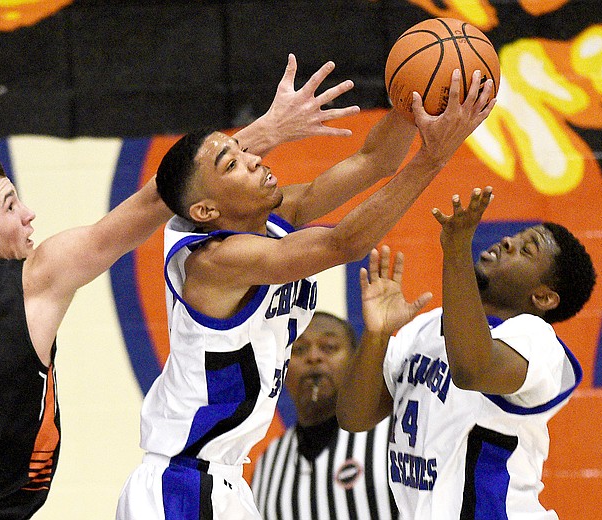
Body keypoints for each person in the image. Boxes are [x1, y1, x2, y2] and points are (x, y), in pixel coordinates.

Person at [0, 53, 359, 520]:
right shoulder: (32, 282)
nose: (29, 213)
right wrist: (263, 131)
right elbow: (159, 199)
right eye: (11, 205)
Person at [115, 65, 496, 520]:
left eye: (241, 148)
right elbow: (344, 243)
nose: (254, 158)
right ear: (206, 209)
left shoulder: (271, 217)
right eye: (232, 164)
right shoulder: (213, 262)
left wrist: (412, 101)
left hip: (222, 478)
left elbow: (374, 161)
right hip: (181, 484)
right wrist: (433, 158)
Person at [336, 187, 596, 519]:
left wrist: (456, 248)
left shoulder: (537, 342)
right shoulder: (427, 326)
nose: (506, 241)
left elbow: (472, 370)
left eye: (526, 249)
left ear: (543, 297)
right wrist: (377, 334)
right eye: (514, 236)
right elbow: (354, 417)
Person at [251, 311, 398, 520]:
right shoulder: (269, 461)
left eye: (329, 347)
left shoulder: (394, 438)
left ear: (356, 362)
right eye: (299, 349)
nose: (313, 357)